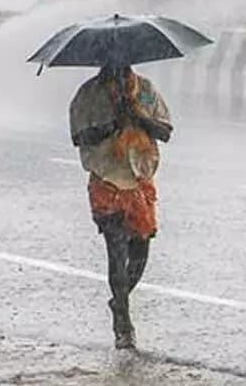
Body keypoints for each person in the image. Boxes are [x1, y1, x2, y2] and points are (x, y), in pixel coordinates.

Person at [69, 65, 173, 349]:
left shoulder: (146, 91)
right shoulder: (89, 94)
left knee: (140, 251)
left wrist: (138, 118)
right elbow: (78, 136)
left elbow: (165, 131)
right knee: (116, 252)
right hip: (106, 181)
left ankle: (119, 300)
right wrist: (111, 125)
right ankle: (123, 324)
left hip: (139, 180)